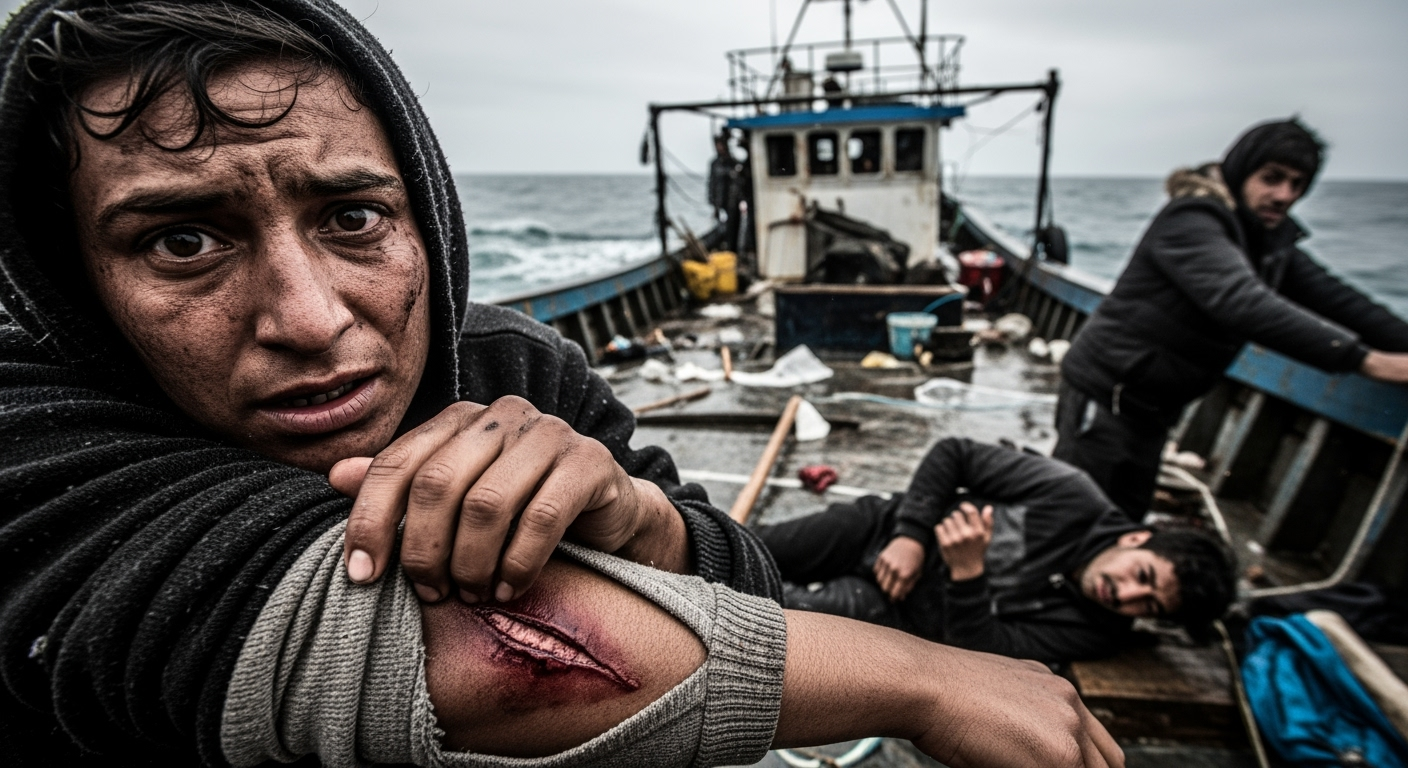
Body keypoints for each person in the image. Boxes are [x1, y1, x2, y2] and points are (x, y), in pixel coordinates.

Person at [0, 2, 1124, 767]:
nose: (308, 317)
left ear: (422, 215)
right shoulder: (25, 438)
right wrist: (919, 676)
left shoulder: (514, 370)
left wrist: (635, 517)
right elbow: (377, 651)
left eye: (353, 218)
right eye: (183, 243)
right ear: (72, 279)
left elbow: (740, 585)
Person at [1055, 119, 1408, 518]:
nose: (1283, 195)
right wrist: (1367, 361)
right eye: (1272, 178)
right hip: (1108, 391)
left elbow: (1339, 300)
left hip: (1155, 407)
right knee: (1074, 518)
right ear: (1242, 169)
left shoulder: (1265, 240)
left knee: (1123, 519)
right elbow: (1241, 301)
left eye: (1297, 185)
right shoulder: (1191, 220)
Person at [759, 438, 1236, 663]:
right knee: (741, 547)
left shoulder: (1097, 632)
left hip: (900, 617)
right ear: (1136, 539)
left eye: (1148, 606)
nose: (1126, 596)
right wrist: (911, 534)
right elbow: (953, 454)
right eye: (1144, 576)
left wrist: (968, 576)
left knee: (774, 610)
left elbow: (986, 652)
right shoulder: (1071, 494)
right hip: (877, 530)